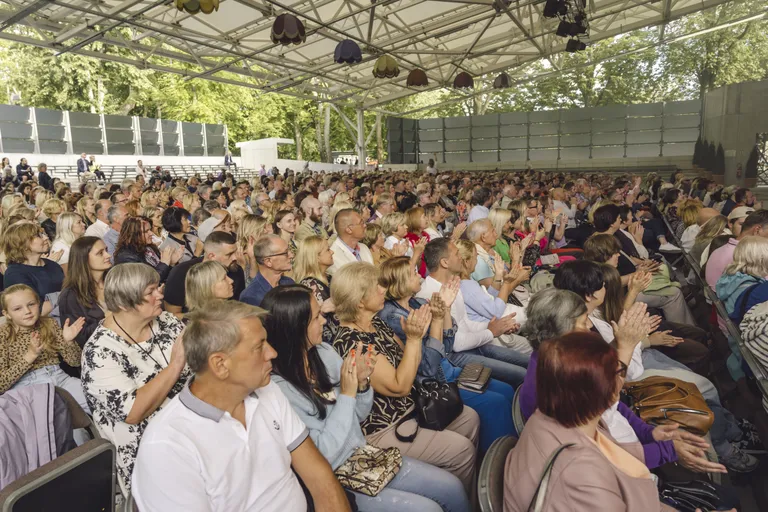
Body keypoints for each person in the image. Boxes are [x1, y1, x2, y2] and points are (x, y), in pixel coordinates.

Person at [264, 285, 469, 512]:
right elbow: (324, 456)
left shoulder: (323, 353)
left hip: (364, 455)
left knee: (452, 487)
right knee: (428, 508)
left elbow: (359, 415)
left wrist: (361, 386)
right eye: (316, 318)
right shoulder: (281, 389)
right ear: (294, 328)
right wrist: (349, 394)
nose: (324, 321)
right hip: (337, 475)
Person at [131, 300, 350, 512]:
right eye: (259, 346)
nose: (272, 353)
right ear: (221, 365)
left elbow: (320, 478)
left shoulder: (268, 391)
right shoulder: (167, 445)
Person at [330, 262, 479, 493]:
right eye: (376, 287)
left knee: (470, 418)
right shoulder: (352, 342)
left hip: (412, 409)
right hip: (385, 428)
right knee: (462, 451)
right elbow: (400, 385)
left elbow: (416, 364)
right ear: (359, 300)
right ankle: (453, 494)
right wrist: (413, 338)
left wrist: (430, 324)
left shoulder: (375, 323)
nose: (383, 290)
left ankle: (447, 483)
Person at [505, 332, 675, 512]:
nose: (621, 380)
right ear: (604, 392)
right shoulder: (583, 474)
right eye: (617, 372)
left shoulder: (551, 416)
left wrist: (667, 446)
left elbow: (609, 452)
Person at [377, 256, 516, 453]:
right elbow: (429, 367)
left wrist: (446, 309)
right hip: (435, 383)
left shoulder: (416, 303)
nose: (419, 276)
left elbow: (447, 345)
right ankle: (499, 463)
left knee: (507, 390)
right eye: (413, 273)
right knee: (498, 403)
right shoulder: (394, 317)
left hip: (449, 369)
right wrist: (437, 320)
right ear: (400, 281)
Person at [81, 263, 191, 495]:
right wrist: (175, 365)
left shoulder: (166, 322)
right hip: (150, 450)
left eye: (157, 287)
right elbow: (133, 412)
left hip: (190, 427)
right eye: (150, 292)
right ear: (124, 303)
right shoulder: (100, 351)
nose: (160, 294)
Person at [416, 238, 529, 387]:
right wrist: (490, 332)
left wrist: (497, 326)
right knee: (521, 374)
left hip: (471, 344)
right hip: (453, 356)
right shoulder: (431, 293)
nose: (461, 257)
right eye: (457, 254)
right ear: (444, 262)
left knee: (528, 362)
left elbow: (465, 323)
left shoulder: (452, 284)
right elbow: (456, 343)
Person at [0, 284, 87, 417]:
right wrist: (30, 356)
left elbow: (75, 362)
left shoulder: (49, 323)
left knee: (97, 399)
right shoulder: (3, 334)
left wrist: (68, 341)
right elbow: (2, 384)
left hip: (60, 378)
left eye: (31, 304)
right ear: (7, 314)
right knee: (67, 427)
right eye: (18, 308)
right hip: (27, 389)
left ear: (38, 304)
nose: (27, 311)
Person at [163, 231, 245, 315]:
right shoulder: (181, 273)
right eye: (229, 254)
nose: (235, 257)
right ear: (211, 256)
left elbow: (239, 305)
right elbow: (173, 314)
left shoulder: (236, 270)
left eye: (235, 252)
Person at [58, 237, 111, 348]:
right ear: (83, 259)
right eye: (100, 253)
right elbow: (81, 338)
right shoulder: (70, 296)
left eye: (106, 250)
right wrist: (108, 320)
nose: (108, 255)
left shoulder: (114, 280)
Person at [2, 221, 65, 302]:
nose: (46, 238)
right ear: (23, 244)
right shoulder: (14, 274)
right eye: (39, 236)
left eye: (43, 234)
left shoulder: (52, 264)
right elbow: (34, 308)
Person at [293, 235, 338, 343]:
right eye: (327, 250)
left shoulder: (329, 277)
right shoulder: (310, 285)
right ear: (316, 257)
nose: (332, 252)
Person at [114, 217, 183, 283]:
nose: (151, 233)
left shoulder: (149, 247)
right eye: (146, 231)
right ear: (133, 234)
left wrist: (171, 263)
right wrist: (164, 263)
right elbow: (148, 281)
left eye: (150, 230)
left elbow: (164, 275)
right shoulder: (126, 256)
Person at [239, 235, 294, 307]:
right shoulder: (251, 297)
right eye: (285, 253)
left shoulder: (289, 283)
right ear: (268, 261)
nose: (291, 255)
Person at [328, 209, 374, 275]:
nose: (365, 225)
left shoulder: (364, 247)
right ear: (349, 229)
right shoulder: (334, 257)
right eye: (361, 223)